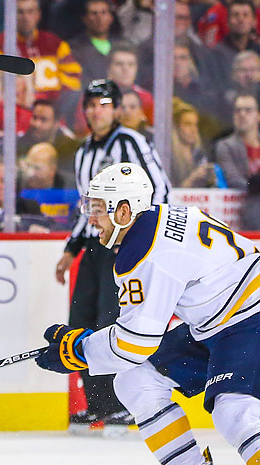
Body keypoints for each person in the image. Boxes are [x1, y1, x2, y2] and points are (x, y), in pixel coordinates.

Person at [36, 161, 260, 465]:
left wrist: (77, 353)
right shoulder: (157, 221)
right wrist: (83, 344)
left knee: (232, 408)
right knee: (136, 382)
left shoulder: (141, 252)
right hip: (216, 318)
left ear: (124, 210)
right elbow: (137, 335)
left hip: (256, 311)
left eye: (97, 208)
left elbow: (133, 343)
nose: (92, 219)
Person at [55, 79, 170, 434]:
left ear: (117, 108)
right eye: (90, 104)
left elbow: (161, 188)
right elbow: (84, 208)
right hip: (93, 245)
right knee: (82, 319)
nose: (95, 110)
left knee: (111, 318)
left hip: (124, 244)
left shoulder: (132, 142)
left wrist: (142, 236)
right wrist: (70, 249)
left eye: (103, 103)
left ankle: (119, 405)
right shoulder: (83, 151)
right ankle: (96, 405)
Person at [0, 0, 81, 104]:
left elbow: (73, 80)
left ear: (38, 14)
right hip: (15, 110)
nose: (26, 18)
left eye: (30, 11)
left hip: (53, 110)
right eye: (20, 12)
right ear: (11, 15)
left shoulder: (56, 43)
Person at [215, 92, 260, 190]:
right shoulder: (225, 146)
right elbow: (233, 180)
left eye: (248, 110)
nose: (242, 114)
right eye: (237, 110)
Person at [17, 99, 78, 174]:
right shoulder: (20, 144)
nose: (37, 124)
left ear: (56, 123)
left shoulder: (67, 150)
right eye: (34, 118)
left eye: (43, 120)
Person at [68, 0, 121, 86]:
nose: (99, 18)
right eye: (94, 13)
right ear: (85, 19)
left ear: (111, 18)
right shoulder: (74, 48)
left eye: (103, 13)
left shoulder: (122, 45)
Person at [170, 99, 219, 188]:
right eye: (188, 124)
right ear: (176, 127)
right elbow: (169, 193)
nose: (193, 130)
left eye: (195, 124)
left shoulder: (200, 153)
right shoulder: (169, 157)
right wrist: (192, 179)